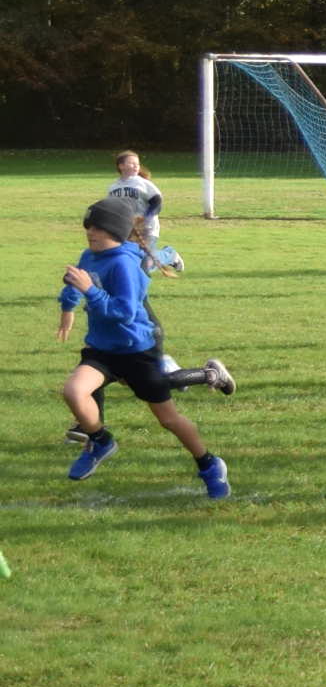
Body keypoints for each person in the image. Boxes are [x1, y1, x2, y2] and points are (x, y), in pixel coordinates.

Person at [61, 194, 236, 497]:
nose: (90, 232)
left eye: (97, 228)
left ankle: (209, 464)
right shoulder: (89, 256)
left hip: (136, 351)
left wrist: (91, 292)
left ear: (114, 231)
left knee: (168, 419)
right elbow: (74, 282)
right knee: (74, 391)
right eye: (88, 227)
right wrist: (68, 305)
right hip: (102, 349)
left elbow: (124, 312)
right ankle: (101, 441)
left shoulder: (124, 265)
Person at [104, 151, 167, 266]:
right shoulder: (113, 187)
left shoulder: (143, 183)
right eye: (131, 163)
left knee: (146, 264)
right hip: (126, 229)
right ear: (121, 166)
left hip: (147, 228)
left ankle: (168, 255)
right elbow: (111, 208)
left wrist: (145, 217)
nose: (136, 166)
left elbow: (157, 201)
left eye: (137, 164)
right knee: (131, 260)